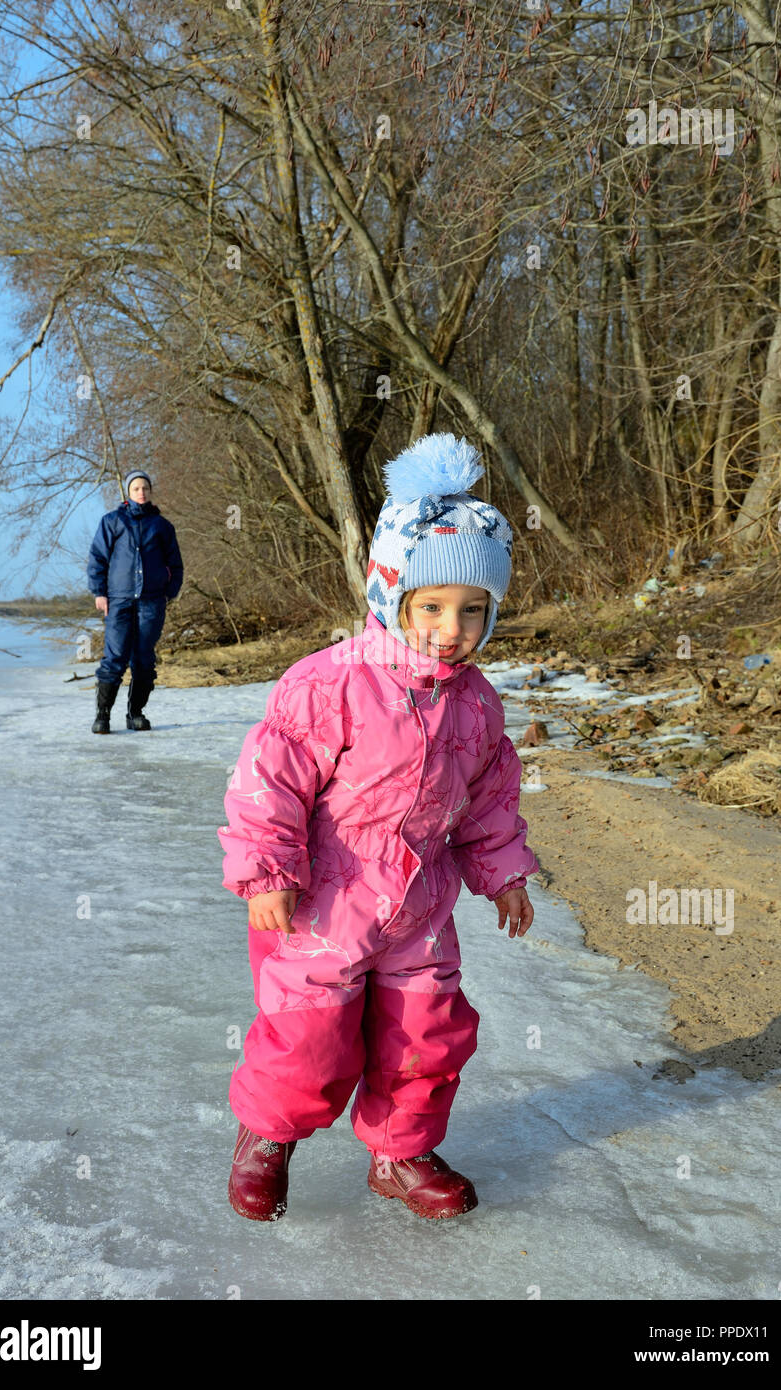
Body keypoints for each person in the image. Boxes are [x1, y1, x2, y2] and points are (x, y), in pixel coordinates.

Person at [218, 432, 539, 1223]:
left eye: (472, 611)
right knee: (309, 1038)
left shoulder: (477, 702)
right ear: (389, 596)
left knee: (425, 1037)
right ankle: (267, 1136)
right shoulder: (331, 683)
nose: (449, 628)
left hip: (420, 902)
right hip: (324, 898)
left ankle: (399, 1153)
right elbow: (270, 779)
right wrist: (265, 873)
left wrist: (502, 872)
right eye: (430, 607)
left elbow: (490, 794)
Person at [86, 471, 183, 734]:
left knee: (143, 659)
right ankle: (103, 716)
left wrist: (168, 593)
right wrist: (99, 592)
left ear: (150, 492)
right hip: (118, 600)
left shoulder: (162, 526)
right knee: (114, 656)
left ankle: (136, 713)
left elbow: (175, 564)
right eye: (137, 488)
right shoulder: (112, 522)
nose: (142, 492)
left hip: (152, 601)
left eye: (145, 488)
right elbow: (98, 558)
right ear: (128, 492)